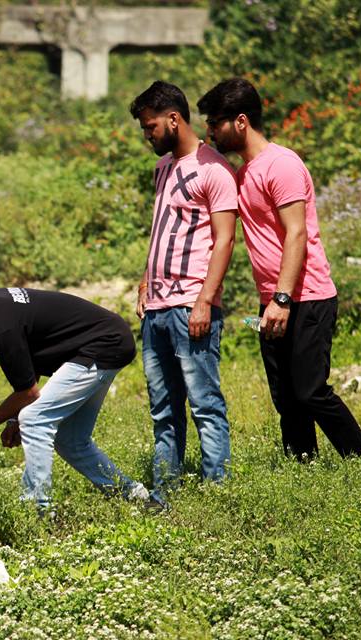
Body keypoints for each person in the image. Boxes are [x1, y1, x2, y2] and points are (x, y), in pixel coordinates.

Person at [197, 77, 361, 460]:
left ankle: (359, 458)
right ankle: (302, 464)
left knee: (310, 390)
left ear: (241, 121)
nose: (210, 131)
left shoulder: (282, 165)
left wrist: (281, 298)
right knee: (286, 396)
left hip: (305, 296)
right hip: (273, 300)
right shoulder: (243, 174)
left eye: (215, 122)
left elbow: (297, 233)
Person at [0, 279, 159, 510]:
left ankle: (36, 511)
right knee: (70, 440)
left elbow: (28, 393)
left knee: (34, 419)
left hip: (103, 345)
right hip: (105, 342)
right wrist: (12, 419)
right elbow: (29, 373)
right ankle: (137, 497)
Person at [129, 81, 237, 499]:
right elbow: (162, 230)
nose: (147, 134)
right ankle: (165, 496)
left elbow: (225, 240)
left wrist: (205, 301)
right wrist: (145, 280)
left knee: (204, 404)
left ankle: (216, 496)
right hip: (156, 308)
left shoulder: (214, 169)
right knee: (163, 411)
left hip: (191, 304)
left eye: (151, 126)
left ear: (174, 119)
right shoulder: (163, 168)